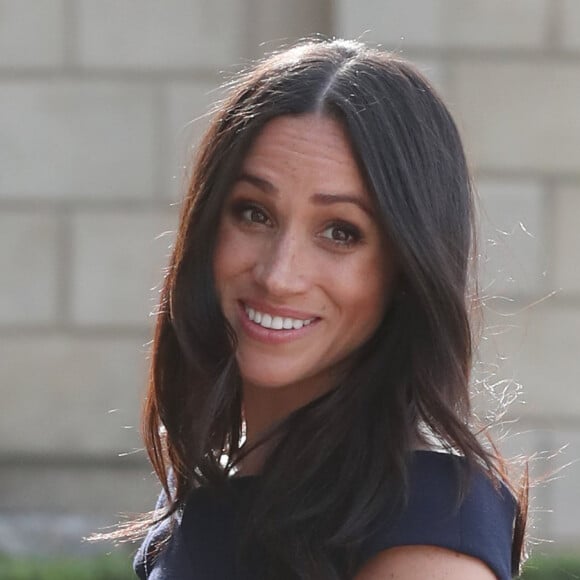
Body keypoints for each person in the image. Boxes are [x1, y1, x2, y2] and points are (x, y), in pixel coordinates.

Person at [129, 39, 527, 579]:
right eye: (254, 213)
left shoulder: (427, 534)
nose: (278, 274)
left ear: (406, 269)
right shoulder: (208, 480)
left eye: (341, 232)